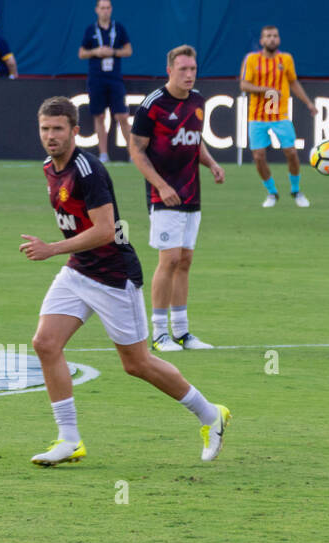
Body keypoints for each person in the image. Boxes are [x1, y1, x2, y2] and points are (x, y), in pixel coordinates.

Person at [20, 96, 231, 467]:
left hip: (114, 276)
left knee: (137, 364)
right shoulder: (48, 167)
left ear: (75, 130)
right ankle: (69, 439)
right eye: (44, 128)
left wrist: (51, 248)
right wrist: (64, 253)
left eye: (57, 129)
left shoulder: (89, 170)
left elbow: (104, 231)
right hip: (77, 271)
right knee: (45, 343)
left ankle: (210, 414)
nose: (50, 136)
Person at [130, 45, 225, 353]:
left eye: (193, 69)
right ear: (169, 70)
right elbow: (136, 151)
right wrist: (160, 185)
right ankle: (158, 334)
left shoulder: (198, 101)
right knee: (168, 260)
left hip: (191, 192)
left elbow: (194, 141)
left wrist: (211, 164)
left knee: (185, 261)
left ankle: (182, 333)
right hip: (163, 195)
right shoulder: (152, 105)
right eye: (183, 69)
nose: (189, 74)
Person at [239, 26, 316, 207]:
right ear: (262, 41)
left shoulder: (286, 59)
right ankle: (272, 193)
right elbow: (244, 85)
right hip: (257, 117)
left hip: (280, 115)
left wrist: (308, 103)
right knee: (258, 156)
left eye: (275, 36)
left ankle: (296, 191)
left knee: (291, 152)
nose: (272, 39)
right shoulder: (252, 59)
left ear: (279, 40)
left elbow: (293, 82)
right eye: (268, 36)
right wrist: (264, 90)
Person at [79, 0, 131, 163]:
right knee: (99, 116)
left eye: (108, 8)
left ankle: (133, 154)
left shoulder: (119, 28)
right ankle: (103, 155)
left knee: (122, 115)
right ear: (97, 10)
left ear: (111, 9)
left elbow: (128, 50)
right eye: (102, 8)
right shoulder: (90, 30)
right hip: (96, 78)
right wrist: (96, 51)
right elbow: (81, 53)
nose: (105, 11)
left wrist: (113, 51)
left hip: (115, 79)